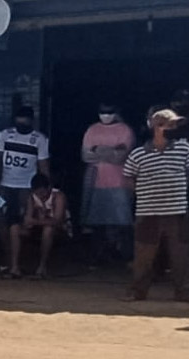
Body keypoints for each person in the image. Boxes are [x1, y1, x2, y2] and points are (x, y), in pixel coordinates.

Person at [122, 109, 189, 302]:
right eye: (170, 125)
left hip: (177, 211)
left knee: (181, 254)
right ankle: (138, 291)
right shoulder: (138, 154)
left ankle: (183, 291)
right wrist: (143, 194)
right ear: (157, 128)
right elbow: (128, 177)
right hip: (148, 211)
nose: (173, 129)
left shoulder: (184, 148)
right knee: (144, 254)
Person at [0, 106, 51, 278]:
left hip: (27, 188)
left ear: (32, 120)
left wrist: (45, 190)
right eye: (19, 119)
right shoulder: (5, 134)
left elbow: (43, 166)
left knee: (22, 224)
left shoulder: (39, 139)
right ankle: (8, 260)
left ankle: (20, 262)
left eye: (25, 119)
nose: (21, 122)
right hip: (3, 186)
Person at [81, 103, 135, 266]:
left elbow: (122, 157)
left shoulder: (125, 130)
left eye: (109, 112)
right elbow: (85, 156)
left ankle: (124, 256)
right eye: (102, 112)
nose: (105, 115)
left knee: (123, 222)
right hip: (95, 182)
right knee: (97, 223)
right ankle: (98, 256)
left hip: (120, 181)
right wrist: (112, 150)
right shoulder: (91, 130)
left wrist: (98, 149)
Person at [20, 174, 69, 279]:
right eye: (37, 193)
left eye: (42, 192)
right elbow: (28, 218)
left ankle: (42, 266)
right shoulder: (32, 197)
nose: (41, 196)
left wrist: (35, 221)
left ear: (49, 188)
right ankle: (16, 265)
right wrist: (29, 223)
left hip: (59, 229)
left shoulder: (58, 196)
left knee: (48, 230)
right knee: (16, 230)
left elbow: (58, 220)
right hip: (38, 227)